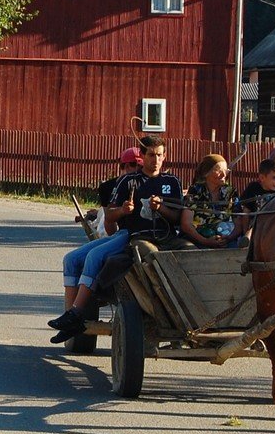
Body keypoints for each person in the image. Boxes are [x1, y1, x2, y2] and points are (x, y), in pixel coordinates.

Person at [48, 138, 183, 343]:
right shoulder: (128, 182)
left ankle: (75, 314)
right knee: (72, 259)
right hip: (131, 234)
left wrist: (161, 208)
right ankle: (72, 317)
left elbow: (177, 218)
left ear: (165, 157)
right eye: (151, 155)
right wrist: (122, 210)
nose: (155, 160)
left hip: (163, 236)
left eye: (159, 155)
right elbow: (109, 216)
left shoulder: (171, 182)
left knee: (93, 256)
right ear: (143, 156)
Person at [179, 153, 242, 249]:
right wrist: (205, 241)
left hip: (224, 238)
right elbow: (186, 224)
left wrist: (228, 238)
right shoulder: (196, 191)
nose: (224, 174)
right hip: (198, 239)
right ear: (206, 173)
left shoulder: (230, 192)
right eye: (218, 170)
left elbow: (239, 223)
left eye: (225, 170)